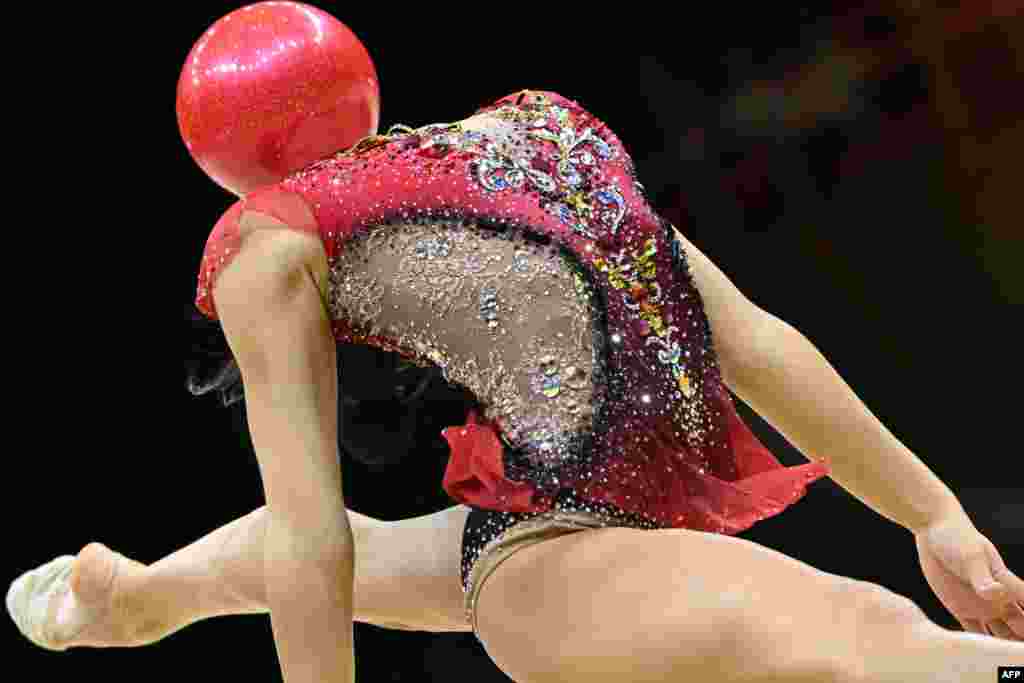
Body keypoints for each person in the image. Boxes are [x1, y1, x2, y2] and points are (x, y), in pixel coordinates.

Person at [9, 89, 1024, 682]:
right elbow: (748, 339)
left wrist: (933, 517)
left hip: (565, 535)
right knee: (870, 639)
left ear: (226, 162)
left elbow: (314, 534)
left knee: (869, 639)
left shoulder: (268, 240)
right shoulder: (538, 135)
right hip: (559, 547)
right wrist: (928, 512)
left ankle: (134, 595)